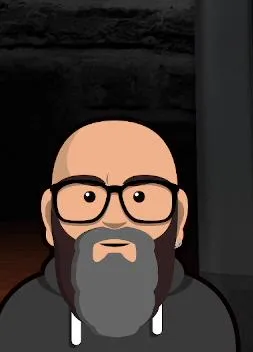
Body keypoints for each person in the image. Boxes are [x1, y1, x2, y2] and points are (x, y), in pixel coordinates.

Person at [0, 120, 238, 351]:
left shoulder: (206, 317)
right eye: (88, 197)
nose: (114, 218)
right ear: (49, 218)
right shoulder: (22, 317)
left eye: (140, 197)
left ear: (179, 218)